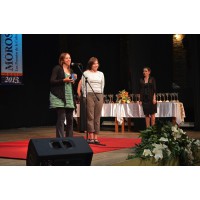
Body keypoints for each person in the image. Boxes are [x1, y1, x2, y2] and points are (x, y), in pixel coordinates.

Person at [49, 52, 77, 138]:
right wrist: (63, 80)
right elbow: (52, 81)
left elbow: (72, 85)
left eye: (70, 58)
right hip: (60, 96)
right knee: (61, 119)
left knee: (70, 120)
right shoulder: (57, 68)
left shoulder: (71, 71)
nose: (69, 59)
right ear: (62, 60)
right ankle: (60, 140)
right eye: (66, 58)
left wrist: (74, 81)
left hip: (69, 96)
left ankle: (69, 139)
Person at [81, 57, 105, 144]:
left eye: (97, 63)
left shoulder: (101, 74)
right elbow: (83, 86)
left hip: (99, 95)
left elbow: (102, 85)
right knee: (90, 116)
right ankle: (90, 137)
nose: (96, 65)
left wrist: (101, 94)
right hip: (89, 95)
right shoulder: (85, 73)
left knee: (97, 116)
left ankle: (96, 137)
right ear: (91, 64)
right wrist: (85, 96)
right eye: (94, 63)